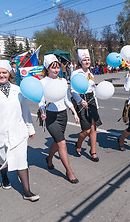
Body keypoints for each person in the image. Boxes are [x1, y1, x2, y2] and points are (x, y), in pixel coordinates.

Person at [0, 60, 39, 202]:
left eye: (4, 72)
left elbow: (25, 111)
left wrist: (30, 128)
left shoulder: (18, 89)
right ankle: (4, 177)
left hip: (18, 131)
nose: (2, 75)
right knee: (2, 159)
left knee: (22, 160)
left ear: (9, 73)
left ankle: (27, 191)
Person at [39, 54, 80, 184]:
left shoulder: (62, 81)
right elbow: (41, 101)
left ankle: (49, 159)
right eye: (53, 67)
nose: (56, 70)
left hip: (63, 115)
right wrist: (42, 112)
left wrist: (74, 113)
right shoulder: (43, 82)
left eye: (57, 67)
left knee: (57, 141)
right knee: (62, 142)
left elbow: (67, 99)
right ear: (47, 68)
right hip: (50, 117)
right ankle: (69, 171)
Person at [71, 49, 102, 162]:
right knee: (86, 130)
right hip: (81, 100)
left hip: (91, 100)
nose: (87, 61)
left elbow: (93, 91)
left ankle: (93, 151)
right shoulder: (76, 73)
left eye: (88, 59)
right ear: (80, 62)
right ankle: (78, 144)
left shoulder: (91, 74)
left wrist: (96, 105)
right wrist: (80, 101)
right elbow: (73, 90)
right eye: (84, 60)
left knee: (94, 127)